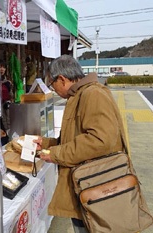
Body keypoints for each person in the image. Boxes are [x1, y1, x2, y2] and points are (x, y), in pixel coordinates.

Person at [34, 54, 127, 233]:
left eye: (52, 86)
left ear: (61, 79)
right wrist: (46, 143)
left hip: (96, 189)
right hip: (86, 187)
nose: (54, 91)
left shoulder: (92, 94)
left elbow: (100, 141)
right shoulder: (80, 95)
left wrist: (56, 154)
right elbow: (73, 140)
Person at [0, 59, 13, 144]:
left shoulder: (7, 81)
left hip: (6, 108)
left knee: (8, 125)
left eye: (3, 67)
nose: (2, 69)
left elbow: (11, 95)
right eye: (0, 67)